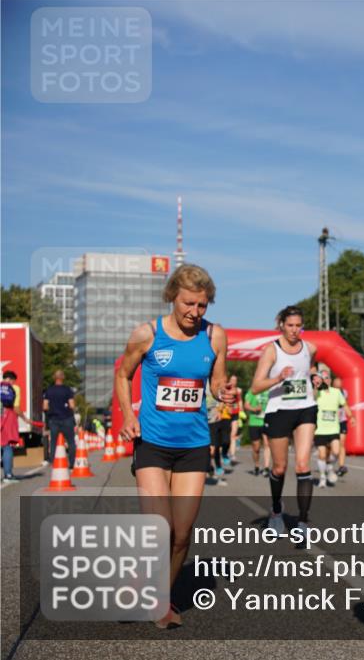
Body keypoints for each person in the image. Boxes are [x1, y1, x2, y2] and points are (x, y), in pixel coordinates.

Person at [115, 264, 236, 629]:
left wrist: (223, 392)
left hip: (194, 444)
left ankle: (160, 601)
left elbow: (215, 383)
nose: (194, 313)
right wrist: (126, 415)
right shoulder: (146, 335)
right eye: (188, 304)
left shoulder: (215, 336)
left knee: (182, 534)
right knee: (160, 527)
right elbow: (123, 375)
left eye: (202, 306)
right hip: (152, 442)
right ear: (172, 297)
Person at [251, 305, 318, 536]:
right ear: (281, 325)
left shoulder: (310, 347)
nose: (294, 330)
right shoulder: (272, 350)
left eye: (299, 326)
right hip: (279, 410)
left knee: (303, 464)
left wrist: (316, 376)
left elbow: (311, 367)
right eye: (290, 325)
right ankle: (277, 510)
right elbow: (256, 385)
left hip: (305, 408)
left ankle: (303, 523)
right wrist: (278, 377)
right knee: (279, 468)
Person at [314, 370, 354, 487]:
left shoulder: (336, 393)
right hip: (320, 430)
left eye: (327, 378)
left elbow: (345, 405)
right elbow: (313, 395)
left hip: (333, 429)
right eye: (323, 378)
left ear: (330, 380)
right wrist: (316, 386)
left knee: (336, 452)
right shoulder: (318, 393)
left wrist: (351, 417)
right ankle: (322, 477)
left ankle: (330, 468)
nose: (325, 380)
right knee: (322, 455)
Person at [43, 370, 77, 466]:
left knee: (53, 442)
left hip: (54, 419)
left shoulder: (49, 390)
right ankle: (72, 463)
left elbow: (45, 406)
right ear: (63, 377)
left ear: (54, 377)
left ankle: (53, 461)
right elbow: (72, 405)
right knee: (71, 442)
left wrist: (51, 411)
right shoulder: (67, 390)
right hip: (67, 418)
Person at [1, 371, 30, 482]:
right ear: (12, 380)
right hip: (8, 417)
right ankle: (8, 475)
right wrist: (24, 418)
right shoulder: (14, 388)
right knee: (7, 446)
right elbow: (16, 407)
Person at [243, 383, 269, 476]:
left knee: (267, 444)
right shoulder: (252, 391)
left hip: (266, 421)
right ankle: (257, 466)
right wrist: (254, 409)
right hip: (254, 422)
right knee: (256, 447)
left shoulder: (268, 391)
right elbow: (246, 405)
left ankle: (266, 468)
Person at [331, 375, 353, 477]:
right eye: (336, 385)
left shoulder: (344, 393)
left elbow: (345, 405)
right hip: (330, 422)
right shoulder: (328, 392)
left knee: (342, 443)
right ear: (333, 385)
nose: (338, 386)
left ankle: (341, 466)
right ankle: (330, 462)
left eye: (339, 385)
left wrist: (351, 417)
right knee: (331, 445)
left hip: (342, 421)